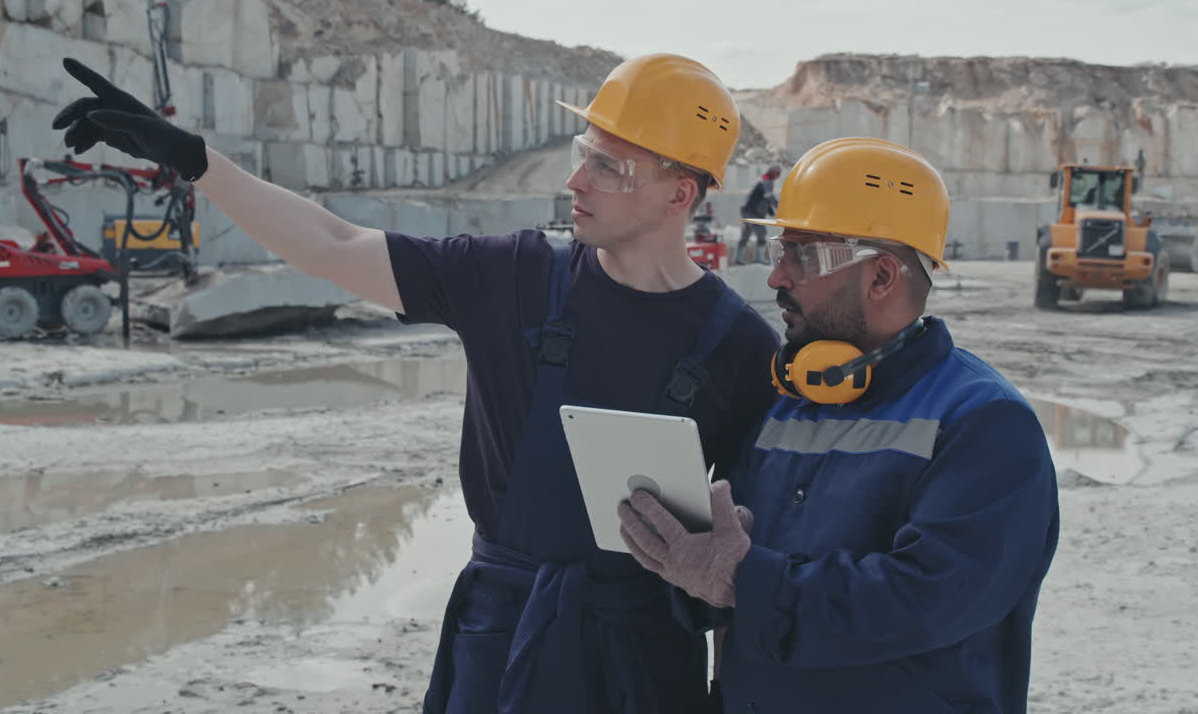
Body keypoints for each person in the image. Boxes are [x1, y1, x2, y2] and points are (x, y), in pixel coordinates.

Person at [53, 53, 781, 712]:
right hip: (500, 641)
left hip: (644, 663)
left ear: (680, 195)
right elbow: (334, 244)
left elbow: (746, 547)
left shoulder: (742, 349)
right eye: (583, 152)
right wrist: (193, 160)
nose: (575, 180)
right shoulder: (510, 275)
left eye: (610, 166)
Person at [618, 137, 1060, 713]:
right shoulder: (783, 404)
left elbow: (921, 599)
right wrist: (681, 562)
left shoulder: (984, 424)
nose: (776, 276)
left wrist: (740, 578)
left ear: (880, 277)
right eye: (782, 250)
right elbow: (727, 574)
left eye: (802, 254)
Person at [734, 164, 780, 265]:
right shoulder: (768, 181)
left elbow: (761, 196)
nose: (778, 176)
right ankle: (759, 257)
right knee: (761, 233)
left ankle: (737, 258)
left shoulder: (761, 179)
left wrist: (769, 209)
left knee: (746, 233)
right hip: (753, 211)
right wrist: (778, 208)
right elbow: (769, 196)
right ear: (774, 173)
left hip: (746, 209)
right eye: (777, 174)